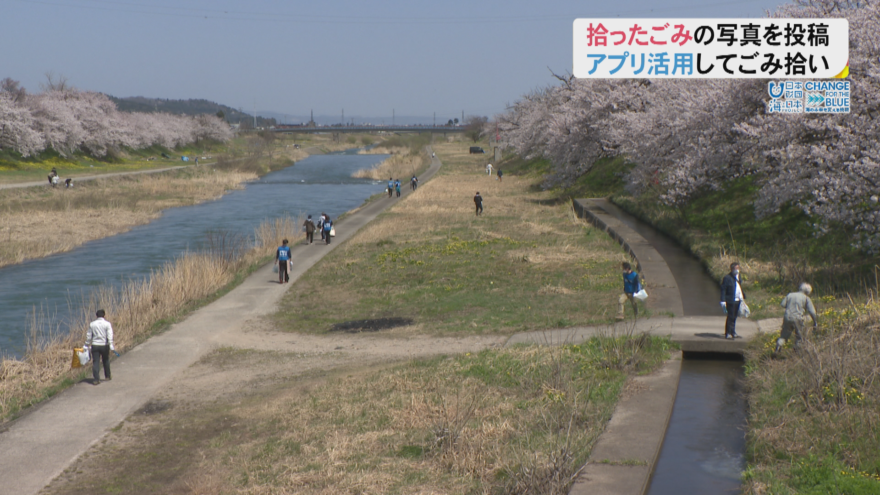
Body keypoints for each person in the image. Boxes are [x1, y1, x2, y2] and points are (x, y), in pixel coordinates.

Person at [776, 283, 819, 353]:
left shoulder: (790, 295)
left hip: (787, 317)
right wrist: (815, 322)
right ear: (808, 292)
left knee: (783, 335)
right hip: (798, 319)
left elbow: (782, 304)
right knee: (799, 337)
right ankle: (796, 352)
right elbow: (812, 312)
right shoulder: (806, 298)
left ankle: (778, 346)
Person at [84, 309, 114, 385]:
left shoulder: (92, 324)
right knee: (106, 360)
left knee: (96, 362)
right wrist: (111, 344)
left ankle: (96, 379)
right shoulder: (107, 324)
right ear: (104, 315)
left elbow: (89, 336)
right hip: (104, 345)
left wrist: (86, 345)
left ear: (96, 316)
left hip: (95, 345)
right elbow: (109, 334)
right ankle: (107, 376)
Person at [720, 262, 745, 339]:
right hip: (730, 300)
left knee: (734, 316)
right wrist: (723, 300)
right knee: (730, 316)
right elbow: (723, 289)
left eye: (738, 268)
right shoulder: (727, 278)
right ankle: (728, 332)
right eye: (735, 268)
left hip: (738, 300)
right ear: (731, 269)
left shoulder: (738, 276)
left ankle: (733, 331)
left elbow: (739, 287)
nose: (737, 270)